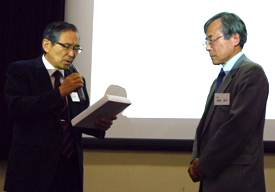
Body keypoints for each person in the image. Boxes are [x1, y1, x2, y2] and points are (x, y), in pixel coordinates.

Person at [4, 21, 117, 192]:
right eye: (66, 46)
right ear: (47, 45)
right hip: (32, 171)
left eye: (76, 48)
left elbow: (76, 118)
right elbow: (17, 108)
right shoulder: (22, 70)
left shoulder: (76, 77)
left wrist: (97, 124)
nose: (72, 54)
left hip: (70, 170)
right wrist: (60, 92)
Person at [188, 12, 268, 192]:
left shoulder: (251, 74)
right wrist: (195, 159)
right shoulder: (219, 80)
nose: (208, 48)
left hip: (237, 181)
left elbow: (237, 128)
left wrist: (204, 164)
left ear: (235, 38)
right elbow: (205, 127)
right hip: (213, 178)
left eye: (212, 40)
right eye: (206, 42)